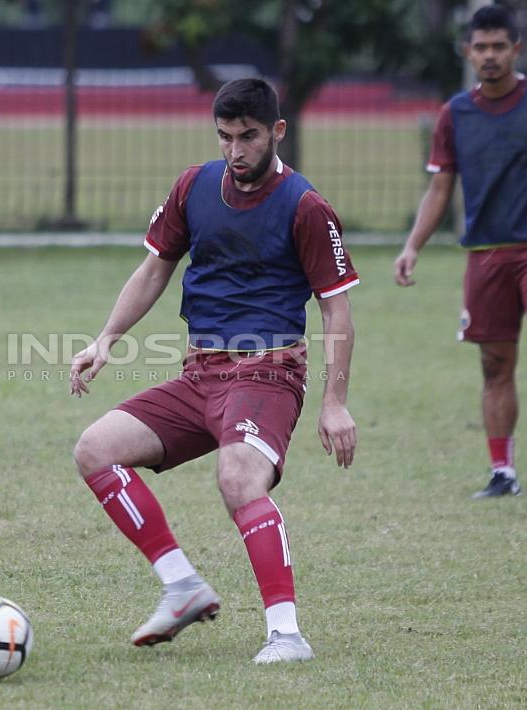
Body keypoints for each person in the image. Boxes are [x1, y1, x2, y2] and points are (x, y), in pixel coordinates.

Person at [68, 78, 359, 664]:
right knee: (94, 450)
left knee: (238, 480)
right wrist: (106, 339)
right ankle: (182, 586)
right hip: (200, 375)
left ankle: (286, 634)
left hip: (269, 373)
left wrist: (334, 402)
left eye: (248, 136)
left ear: (277, 131)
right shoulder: (193, 187)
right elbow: (154, 269)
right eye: (225, 137)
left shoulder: (305, 205)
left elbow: (336, 306)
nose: (235, 150)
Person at [393, 5, 527, 498]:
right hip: (487, 252)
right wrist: (413, 246)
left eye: (499, 47)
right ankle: (503, 473)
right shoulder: (455, 114)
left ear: (516, 49)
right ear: (467, 52)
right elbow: (441, 188)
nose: (489, 56)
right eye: (480, 47)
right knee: (495, 363)